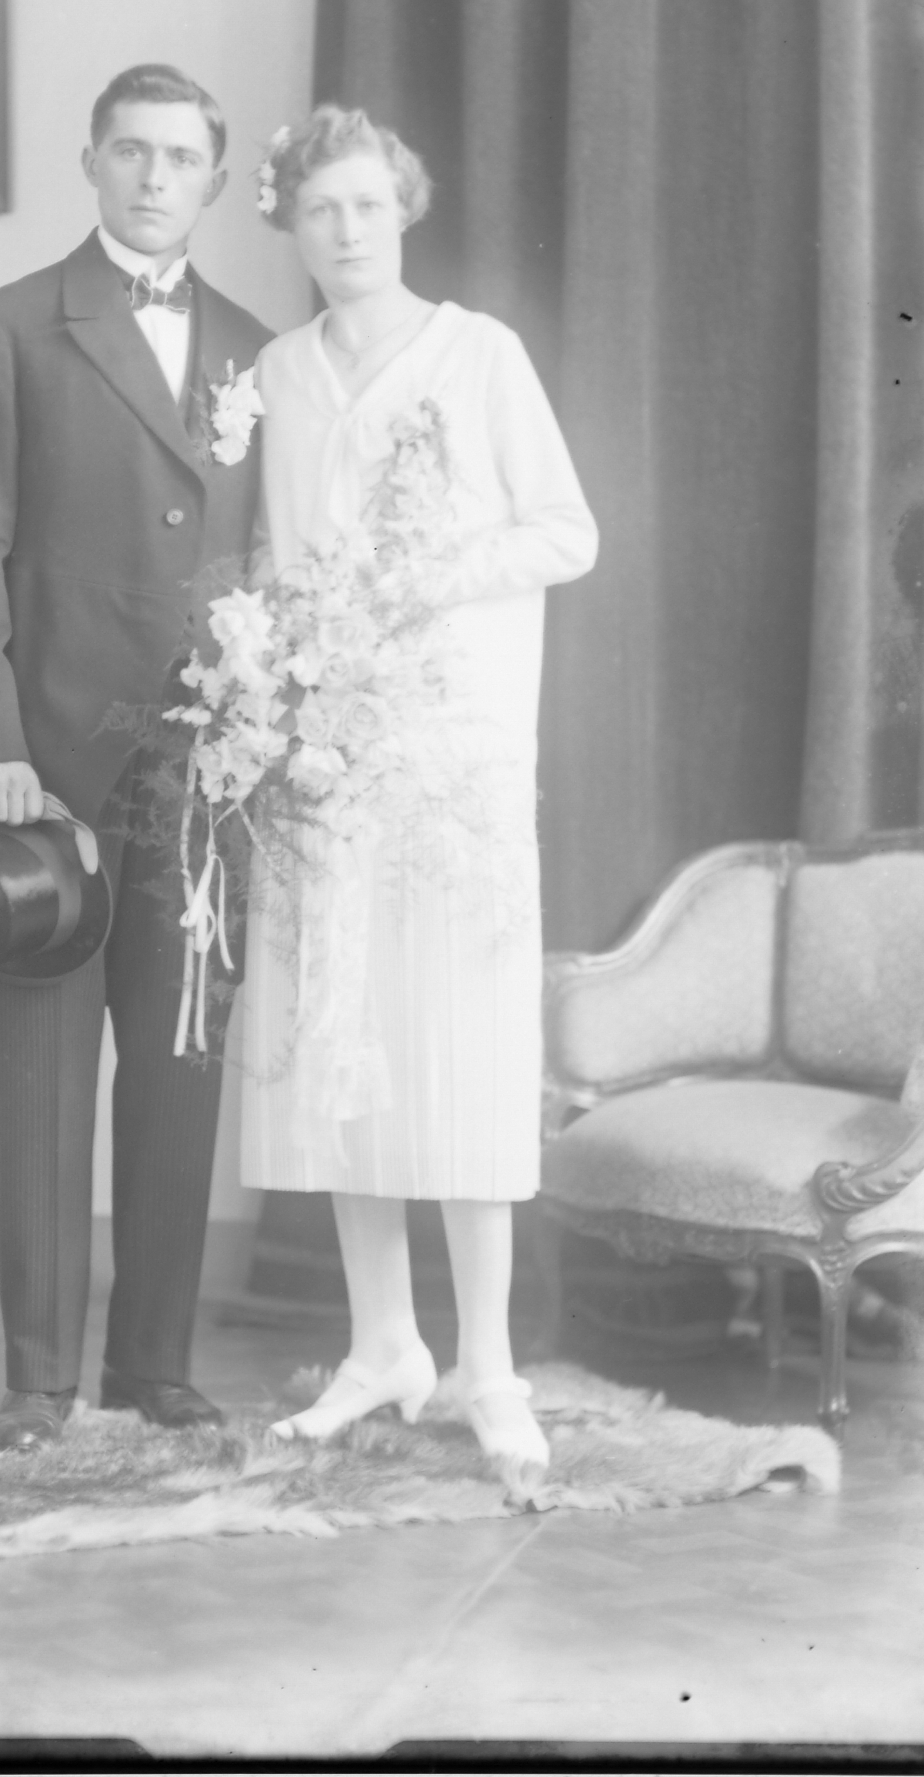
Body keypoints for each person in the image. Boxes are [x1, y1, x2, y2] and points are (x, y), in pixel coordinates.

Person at [0, 64, 272, 1451]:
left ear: (214, 181)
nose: (153, 176)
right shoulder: (9, 329)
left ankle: (154, 1366)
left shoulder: (256, 352)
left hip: (202, 784)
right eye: (130, 151)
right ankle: (38, 1380)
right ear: (92, 164)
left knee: (180, 1072)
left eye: (179, 157)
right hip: (50, 780)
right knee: (45, 1083)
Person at [238, 104, 597, 1492]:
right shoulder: (277, 374)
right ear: (290, 225)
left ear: (404, 213)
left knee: (457, 1049)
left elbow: (567, 530)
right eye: (320, 210)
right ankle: (382, 1344)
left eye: (367, 206)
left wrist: (422, 578)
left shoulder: (477, 354)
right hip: (328, 759)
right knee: (347, 1043)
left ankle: (488, 1366)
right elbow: (275, 558)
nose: (346, 232)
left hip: (451, 760)